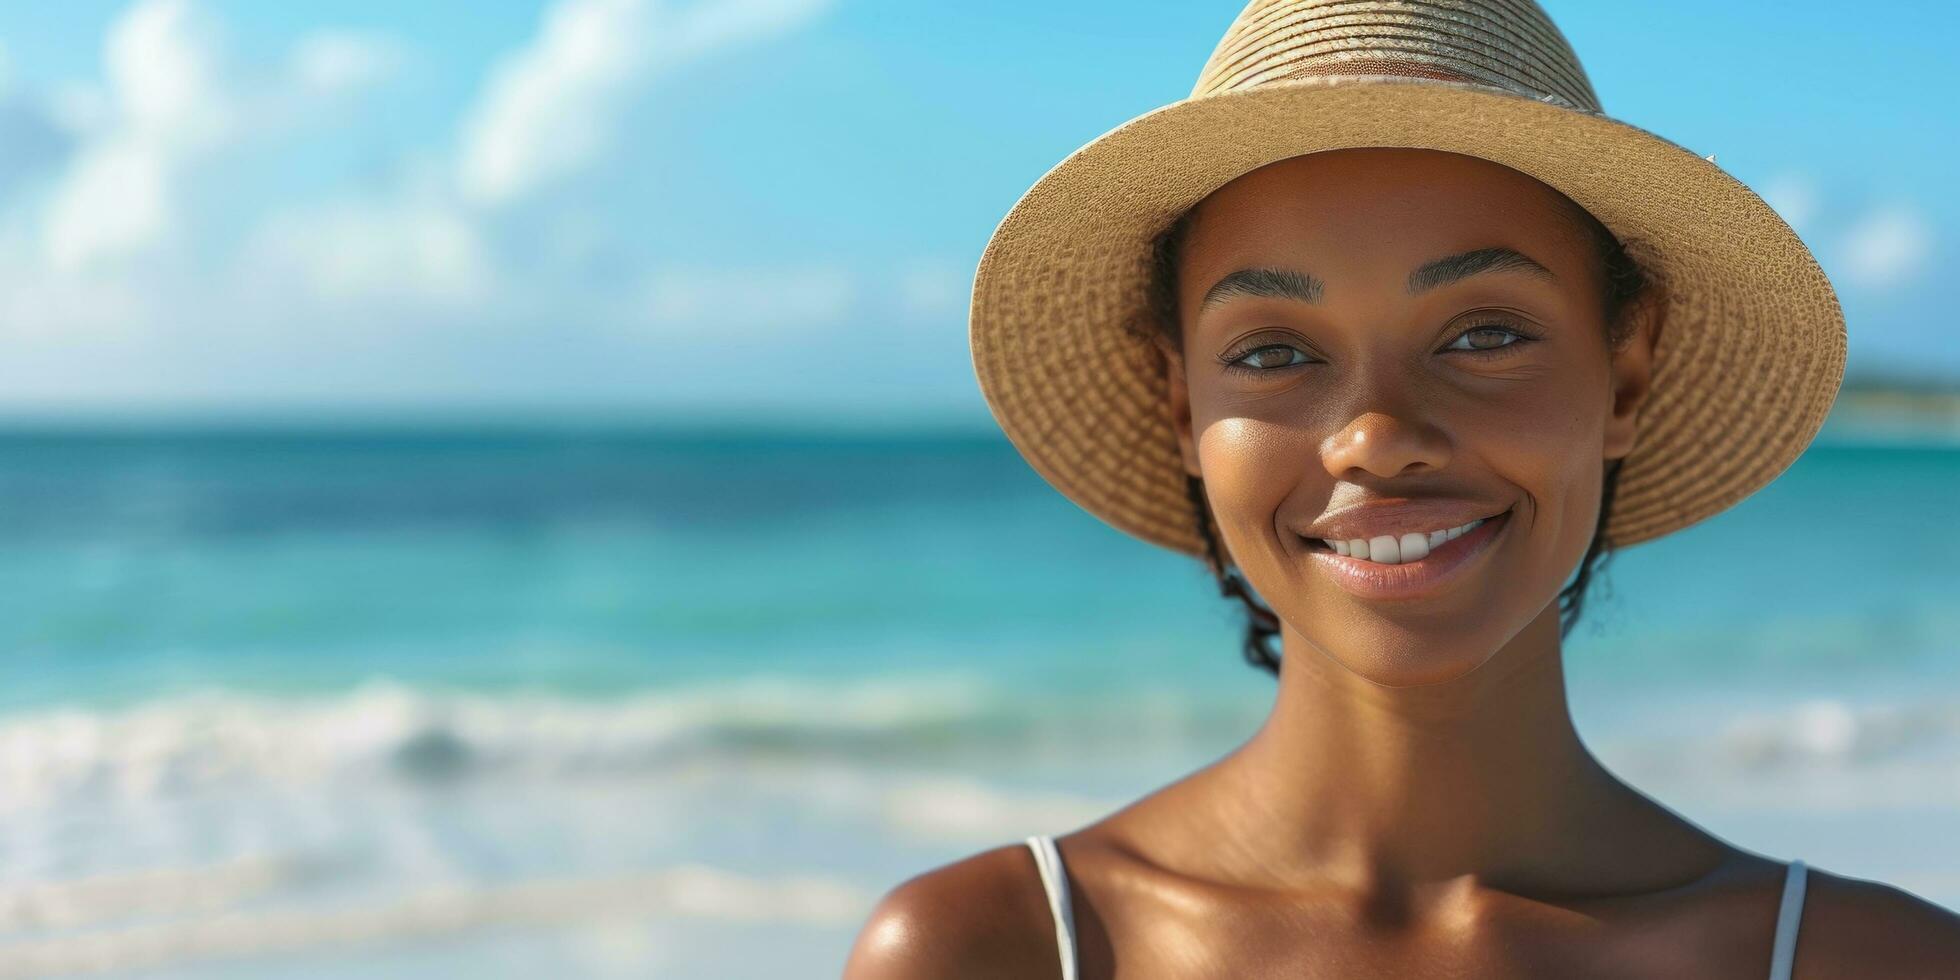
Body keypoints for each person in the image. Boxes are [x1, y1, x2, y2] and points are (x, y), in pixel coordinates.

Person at [845, 1, 1960, 976]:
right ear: (1179, 404)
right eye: (1275, 351)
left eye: (1483, 332)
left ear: (1625, 374)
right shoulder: (1000, 950)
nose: (1375, 436)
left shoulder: (1867, 963)